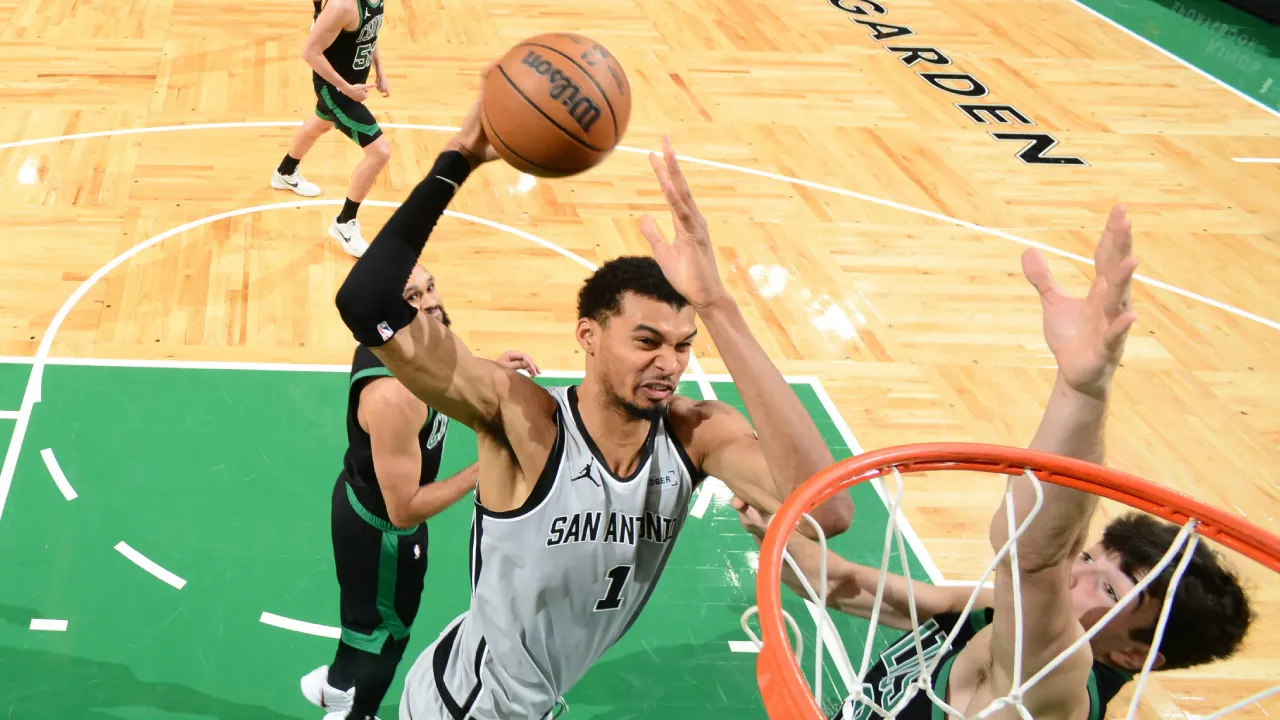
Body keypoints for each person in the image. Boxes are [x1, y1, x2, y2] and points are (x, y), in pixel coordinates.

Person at [331, 63, 854, 719]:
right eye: (646, 341)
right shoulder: (525, 422)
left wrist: (718, 305)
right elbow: (366, 300)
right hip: (461, 707)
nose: (669, 363)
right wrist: (458, 158)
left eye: (683, 345)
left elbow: (825, 514)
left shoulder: (696, 435)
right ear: (588, 335)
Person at [732, 206, 1254, 720]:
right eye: (1093, 557)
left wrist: (1082, 391)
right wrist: (771, 524)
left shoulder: (1057, 688)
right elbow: (842, 585)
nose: (1080, 574)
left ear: (1134, 656)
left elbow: (1034, 557)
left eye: (1111, 590)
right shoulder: (991, 610)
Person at [301, 263, 541, 720]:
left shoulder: (419, 339)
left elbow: (449, 373)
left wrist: (488, 368)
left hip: (367, 503)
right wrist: (488, 461)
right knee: (390, 634)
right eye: (413, 297)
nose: (430, 301)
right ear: (387, 313)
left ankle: (336, 686)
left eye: (430, 287)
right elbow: (405, 511)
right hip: (382, 532)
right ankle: (359, 714)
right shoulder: (392, 397)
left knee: (362, 621)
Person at [270, 0, 392, 258]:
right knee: (379, 152)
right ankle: (344, 223)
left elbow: (370, 33)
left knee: (320, 124)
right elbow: (310, 53)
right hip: (334, 88)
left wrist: (381, 70)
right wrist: (347, 89)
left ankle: (285, 171)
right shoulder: (342, 6)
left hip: (351, 85)